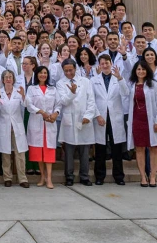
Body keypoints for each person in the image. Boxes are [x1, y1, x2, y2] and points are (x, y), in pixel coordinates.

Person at [56, 58, 96, 186]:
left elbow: (91, 100)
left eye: (71, 70)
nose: (68, 73)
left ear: (75, 69)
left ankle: (84, 176)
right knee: (69, 151)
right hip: (69, 120)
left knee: (85, 151)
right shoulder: (60, 83)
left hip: (84, 120)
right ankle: (69, 176)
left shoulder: (85, 81)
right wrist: (72, 93)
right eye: (66, 71)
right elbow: (63, 101)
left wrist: (88, 116)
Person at [91, 55, 129, 185]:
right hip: (101, 118)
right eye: (102, 63)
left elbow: (126, 93)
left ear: (111, 63)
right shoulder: (94, 80)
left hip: (115, 118)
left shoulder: (117, 78)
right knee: (100, 148)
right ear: (99, 65)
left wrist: (120, 78)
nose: (105, 65)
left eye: (107, 63)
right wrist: (97, 115)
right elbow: (91, 100)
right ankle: (99, 176)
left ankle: (119, 176)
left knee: (116, 148)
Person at [0, 70, 29, 188]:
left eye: (10, 77)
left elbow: (26, 105)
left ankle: (22, 178)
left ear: (13, 79)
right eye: (6, 77)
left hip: (17, 125)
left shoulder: (18, 91)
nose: (8, 79)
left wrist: (24, 96)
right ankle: (7, 177)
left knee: (20, 153)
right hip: (4, 125)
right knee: (6, 153)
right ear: (3, 80)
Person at [126, 61, 157, 187]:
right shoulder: (132, 85)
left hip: (151, 120)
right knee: (139, 148)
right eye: (138, 69)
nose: (141, 71)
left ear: (147, 71)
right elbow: (124, 93)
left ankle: (153, 176)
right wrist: (119, 77)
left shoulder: (153, 85)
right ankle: (143, 177)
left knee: (154, 148)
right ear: (135, 71)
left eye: (143, 69)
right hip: (137, 120)